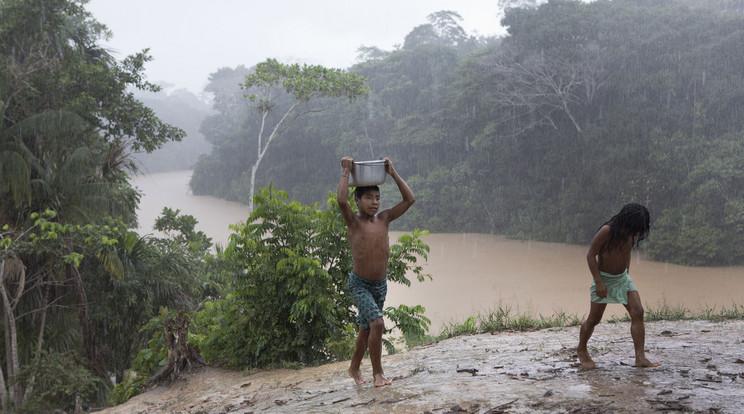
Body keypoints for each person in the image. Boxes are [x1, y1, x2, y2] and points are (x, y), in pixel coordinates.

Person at [337, 156, 415, 387]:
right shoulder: (354, 222)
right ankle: (378, 374)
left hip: (380, 285)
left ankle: (353, 368)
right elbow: (341, 201)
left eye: (378, 197)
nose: (374, 202)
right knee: (377, 324)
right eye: (369, 197)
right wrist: (345, 171)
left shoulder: (385, 218)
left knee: (365, 329)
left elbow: (410, 199)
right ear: (358, 200)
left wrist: (393, 172)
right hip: (359, 284)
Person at [577, 203, 659, 370]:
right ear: (628, 221)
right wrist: (599, 282)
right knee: (594, 320)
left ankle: (640, 357)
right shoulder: (607, 231)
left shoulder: (630, 234)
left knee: (638, 312)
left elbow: (627, 252)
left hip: (623, 279)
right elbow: (591, 255)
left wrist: (627, 273)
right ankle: (582, 350)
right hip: (604, 279)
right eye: (636, 227)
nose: (637, 232)